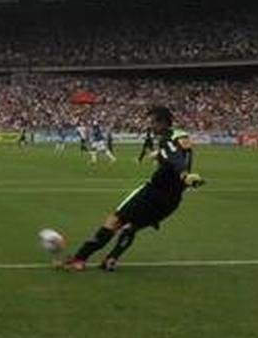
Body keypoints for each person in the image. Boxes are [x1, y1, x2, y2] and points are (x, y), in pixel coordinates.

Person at [63, 106, 204, 272]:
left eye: (152, 122)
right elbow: (178, 155)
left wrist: (184, 174)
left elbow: (175, 158)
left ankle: (79, 259)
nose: (150, 126)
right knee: (132, 227)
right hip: (172, 200)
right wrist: (163, 159)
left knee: (114, 220)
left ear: (163, 122)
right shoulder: (181, 135)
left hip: (152, 193)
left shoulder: (166, 139)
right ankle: (111, 259)